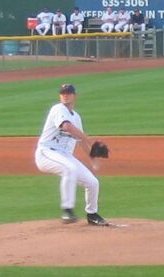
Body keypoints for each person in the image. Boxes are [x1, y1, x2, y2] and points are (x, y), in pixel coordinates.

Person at [35, 84, 108, 226]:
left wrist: (93, 160)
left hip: (65, 156)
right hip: (47, 152)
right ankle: (67, 210)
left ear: (75, 96)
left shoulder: (77, 117)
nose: (65, 95)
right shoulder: (58, 109)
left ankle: (92, 214)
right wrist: (91, 141)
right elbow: (67, 127)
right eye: (63, 93)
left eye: (68, 93)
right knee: (69, 168)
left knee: (93, 182)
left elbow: (80, 141)